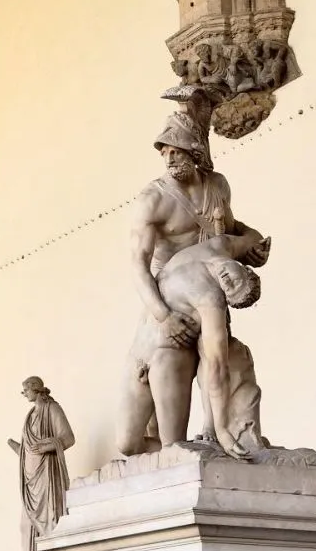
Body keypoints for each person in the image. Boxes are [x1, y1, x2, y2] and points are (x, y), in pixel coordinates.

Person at [115, 106, 270, 456]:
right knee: (127, 443)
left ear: (195, 151)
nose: (169, 158)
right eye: (164, 151)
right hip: (170, 302)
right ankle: (168, 450)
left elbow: (230, 235)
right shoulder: (152, 200)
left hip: (207, 291)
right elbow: (137, 265)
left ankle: (210, 435)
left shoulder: (217, 186)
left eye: (176, 150)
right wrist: (162, 316)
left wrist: (254, 250)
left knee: (215, 358)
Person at [146, 230, 266, 458]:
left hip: (175, 338)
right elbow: (253, 239)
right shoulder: (225, 245)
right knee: (127, 443)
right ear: (244, 268)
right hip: (154, 327)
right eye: (235, 280)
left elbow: (216, 367)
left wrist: (217, 428)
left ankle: (205, 431)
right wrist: (259, 248)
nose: (227, 280)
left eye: (229, 288)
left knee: (208, 364)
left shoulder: (212, 301)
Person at [8, 378, 74, 551]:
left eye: (26, 390)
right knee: (25, 526)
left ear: (36, 390)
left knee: (48, 521)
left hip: (47, 477)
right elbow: (29, 452)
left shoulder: (52, 409)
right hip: (30, 482)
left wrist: (49, 446)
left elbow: (69, 438)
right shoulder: (30, 416)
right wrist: (18, 449)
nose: (24, 394)